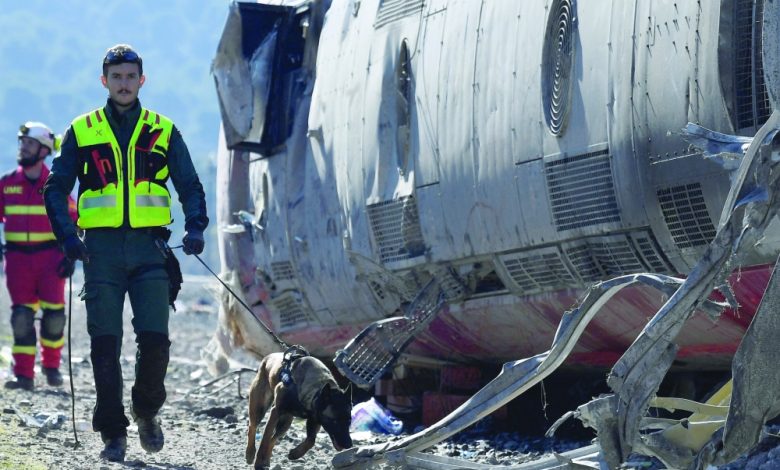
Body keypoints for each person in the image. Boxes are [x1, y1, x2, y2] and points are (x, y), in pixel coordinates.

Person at [43, 44, 208, 462]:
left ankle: (147, 410)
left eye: (130, 76)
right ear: (104, 81)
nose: (123, 83)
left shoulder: (162, 129)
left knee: (155, 342)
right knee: (104, 346)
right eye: (116, 76)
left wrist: (196, 228)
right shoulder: (82, 130)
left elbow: (189, 184)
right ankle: (113, 432)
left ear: (141, 80)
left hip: (151, 249)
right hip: (100, 254)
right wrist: (67, 237)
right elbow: (55, 186)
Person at [0, 122, 77, 391]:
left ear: (44, 150)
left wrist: (71, 255)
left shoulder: (55, 185)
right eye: (22, 143)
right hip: (17, 261)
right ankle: (23, 375)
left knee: (54, 317)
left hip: (50, 260)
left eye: (29, 144)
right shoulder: (7, 184)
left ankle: (51, 366)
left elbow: (74, 221)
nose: (23, 148)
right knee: (21, 318)